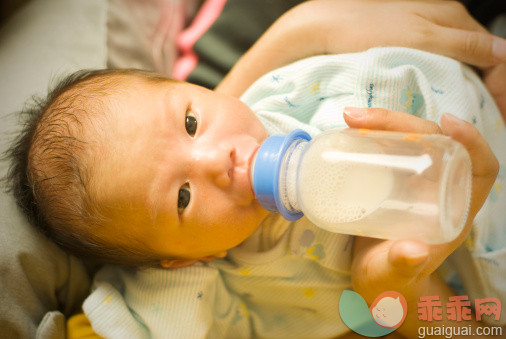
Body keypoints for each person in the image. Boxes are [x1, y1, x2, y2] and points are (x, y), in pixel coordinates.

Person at [5, 1, 505, 338]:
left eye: (191, 121)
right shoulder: (205, 281)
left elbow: (407, 67)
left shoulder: (290, 96)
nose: (215, 161)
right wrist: (390, 289)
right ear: (181, 258)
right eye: (181, 197)